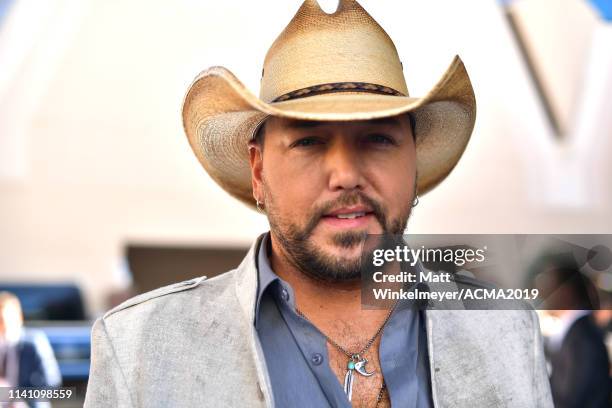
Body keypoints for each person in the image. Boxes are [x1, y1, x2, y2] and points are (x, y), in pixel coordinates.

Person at [84, 1, 553, 407]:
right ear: (258, 171)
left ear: (414, 167)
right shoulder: (142, 350)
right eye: (309, 141)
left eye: (377, 138)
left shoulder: (506, 334)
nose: (346, 174)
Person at [0, 292, 62, 408]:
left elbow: (52, 382)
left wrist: (18, 399)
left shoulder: (34, 343)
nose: (2, 326)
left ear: (19, 317)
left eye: (4, 319)